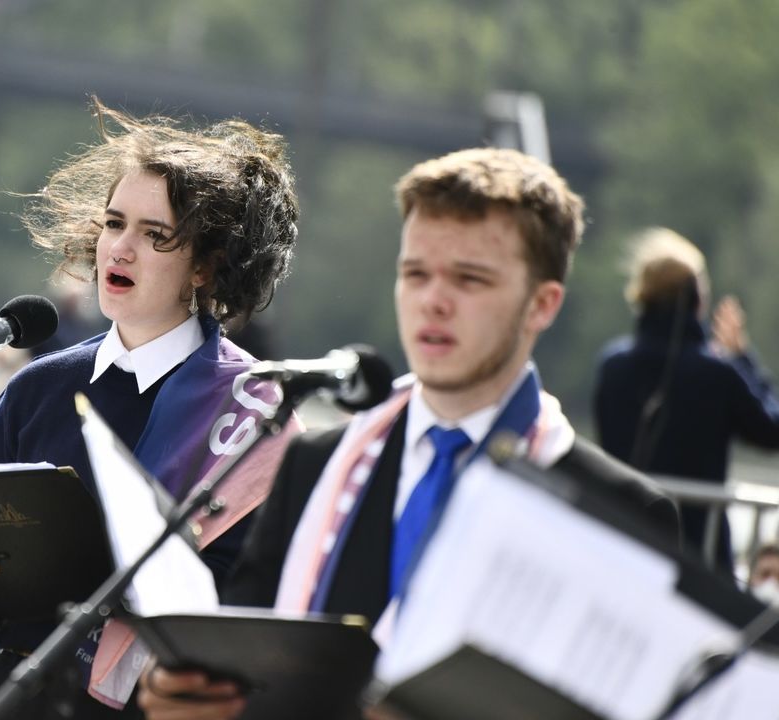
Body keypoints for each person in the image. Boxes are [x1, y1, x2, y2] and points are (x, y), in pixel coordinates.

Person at [138, 147, 681, 719]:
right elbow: (247, 664)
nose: (433, 301)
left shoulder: (623, 514)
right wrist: (190, 697)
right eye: (415, 274)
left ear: (541, 306)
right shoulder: (315, 465)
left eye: (470, 279)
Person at [0, 98, 301, 718]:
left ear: (206, 264)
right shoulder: (39, 387)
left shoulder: (261, 413)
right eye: (114, 223)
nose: (119, 249)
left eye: (155, 236)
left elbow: (250, 606)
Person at [594, 227, 779, 575]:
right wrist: (743, 359)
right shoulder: (717, 372)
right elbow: (771, 431)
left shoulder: (611, 364)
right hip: (699, 555)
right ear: (694, 299)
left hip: (621, 543)